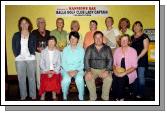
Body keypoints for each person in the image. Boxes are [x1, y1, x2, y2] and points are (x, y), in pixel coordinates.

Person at [12, 17, 36, 100]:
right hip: (19, 59)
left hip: (30, 59)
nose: (24, 24)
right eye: (22, 23)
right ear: (20, 25)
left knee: (32, 77)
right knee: (21, 78)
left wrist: (32, 54)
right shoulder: (16, 35)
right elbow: (14, 46)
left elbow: (34, 45)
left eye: (26, 23)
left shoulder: (32, 35)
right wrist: (17, 55)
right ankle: (23, 95)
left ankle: (33, 95)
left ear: (29, 24)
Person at [84, 31, 113, 101]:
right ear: (94, 38)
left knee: (109, 79)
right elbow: (86, 60)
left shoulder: (107, 48)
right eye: (96, 37)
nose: (98, 39)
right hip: (92, 69)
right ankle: (93, 97)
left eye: (100, 37)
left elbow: (110, 60)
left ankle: (105, 97)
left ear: (102, 38)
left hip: (104, 69)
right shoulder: (89, 48)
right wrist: (88, 71)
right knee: (88, 78)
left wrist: (107, 71)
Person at [112, 34, 138, 101]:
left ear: (129, 42)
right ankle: (116, 96)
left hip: (129, 73)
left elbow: (134, 66)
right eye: (122, 40)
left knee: (121, 79)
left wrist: (123, 73)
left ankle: (121, 97)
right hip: (118, 71)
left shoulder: (133, 51)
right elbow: (113, 64)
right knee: (114, 78)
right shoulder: (117, 50)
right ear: (120, 41)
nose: (123, 42)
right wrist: (115, 71)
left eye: (126, 40)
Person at [61, 31, 85, 101]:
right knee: (65, 80)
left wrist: (76, 70)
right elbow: (63, 63)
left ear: (78, 40)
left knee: (79, 79)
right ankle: (65, 94)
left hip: (78, 70)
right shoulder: (65, 49)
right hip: (66, 70)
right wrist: (68, 71)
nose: (73, 40)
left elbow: (82, 63)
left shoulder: (81, 50)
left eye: (75, 38)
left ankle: (81, 95)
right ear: (69, 39)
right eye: (71, 38)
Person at [39, 36, 62, 100]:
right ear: (47, 42)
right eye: (50, 41)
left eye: (53, 41)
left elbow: (59, 64)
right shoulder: (43, 51)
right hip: (45, 71)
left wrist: (53, 72)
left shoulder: (58, 52)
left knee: (54, 79)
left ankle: (54, 95)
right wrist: (47, 71)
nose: (51, 43)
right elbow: (41, 64)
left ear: (55, 43)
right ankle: (43, 95)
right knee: (44, 80)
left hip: (55, 71)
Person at [131, 21, 150, 99]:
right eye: (135, 26)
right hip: (133, 60)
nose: (136, 27)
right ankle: (134, 91)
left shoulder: (144, 36)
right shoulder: (132, 37)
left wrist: (137, 57)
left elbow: (145, 49)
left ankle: (141, 92)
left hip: (141, 59)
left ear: (141, 27)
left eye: (138, 26)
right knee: (134, 77)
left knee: (141, 77)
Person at [32, 17, 50, 90]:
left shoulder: (49, 32)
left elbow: (52, 42)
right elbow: (31, 43)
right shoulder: (34, 32)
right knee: (38, 71)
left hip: (47, 54)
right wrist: (37, 48)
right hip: (38, 54)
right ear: (37, 24)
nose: (42, 23)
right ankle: (40, 88)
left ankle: (48, 86)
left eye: (43, 22)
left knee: (47, 70)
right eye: (40, 22)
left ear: (45, 24)